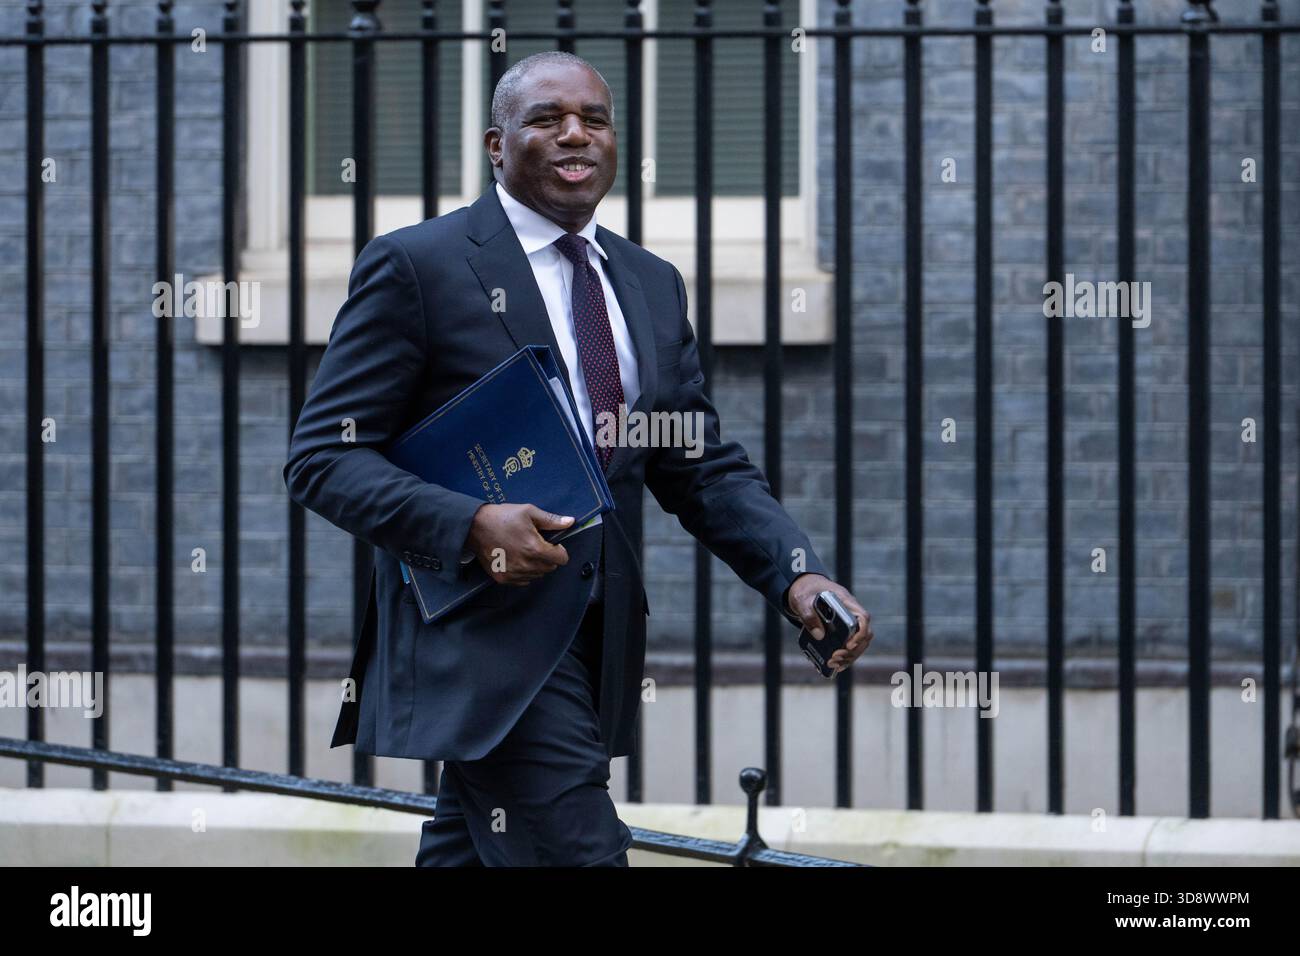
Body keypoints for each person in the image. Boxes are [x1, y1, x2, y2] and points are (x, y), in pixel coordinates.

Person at [282, 51, 873, 867]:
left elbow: (697, 464)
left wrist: (794, 573)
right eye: (546, 119)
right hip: (483, 643)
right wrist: (472, 524)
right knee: (581, 856)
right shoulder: (419, 266)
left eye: (594, 120)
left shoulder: (649, 283)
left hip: (597, 638)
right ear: (496, 145)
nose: (576, 135)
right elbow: (323, 457)